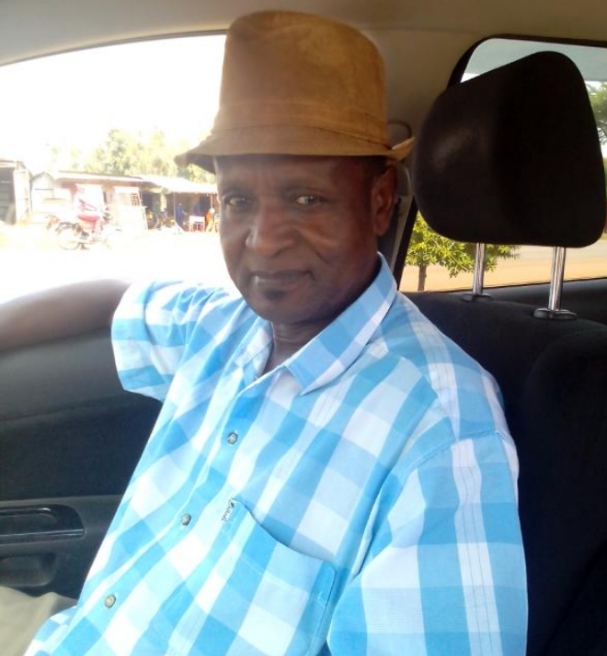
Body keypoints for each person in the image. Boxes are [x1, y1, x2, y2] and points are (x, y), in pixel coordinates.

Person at [0, 10, 527, 655]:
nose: (263, 241)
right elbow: (112, 299)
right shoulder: (219, 325)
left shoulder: (440, 429)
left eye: (307, 199)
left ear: (379, 201)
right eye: (238, 201)